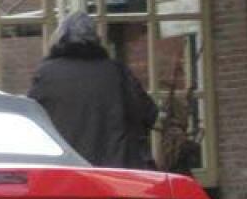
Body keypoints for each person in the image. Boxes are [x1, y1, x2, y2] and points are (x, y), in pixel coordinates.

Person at [27, 11, 157, 169]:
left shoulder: (45, 74)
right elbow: (148, 113)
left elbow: (33, 123)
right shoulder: (116, 72)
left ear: (59, 38)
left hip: (65, 168)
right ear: (96, 39)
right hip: (114, 170)